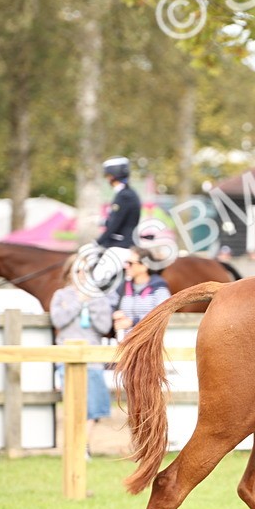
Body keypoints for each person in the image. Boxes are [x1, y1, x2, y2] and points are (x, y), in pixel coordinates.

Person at [50, 259, 114, 456]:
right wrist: (78, 302)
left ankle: (82, 446)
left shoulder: (99, 297)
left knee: (93, 407)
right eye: (77, 270)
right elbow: (58, 320)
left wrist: (90, 303)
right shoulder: (61, 295)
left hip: (92, 359)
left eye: (86, 270)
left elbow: (104, 326)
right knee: (73, 405)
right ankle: (75, 446)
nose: (81, 275)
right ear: (69, 272)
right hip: (67, 357)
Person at [89, 156, 141, 290]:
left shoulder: (124, 196)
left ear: (113, 176)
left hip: (121, 246)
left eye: (108, 176)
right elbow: (117, 220)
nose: (107, 179)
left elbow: (114, 226)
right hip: (117, 242)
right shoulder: (126, 193)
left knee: (96, 278)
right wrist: (102, 221)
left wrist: (97, 242)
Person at [112, 247, 171, 341]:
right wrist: (114, 314)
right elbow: (110, 305)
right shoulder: (122, 287)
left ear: (144, 266)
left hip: (150, 343)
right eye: (126, 262)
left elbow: (163, 315)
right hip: (126, 343)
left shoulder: (159, 289)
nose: (126, 266)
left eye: (130, 263)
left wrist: (133, 322)